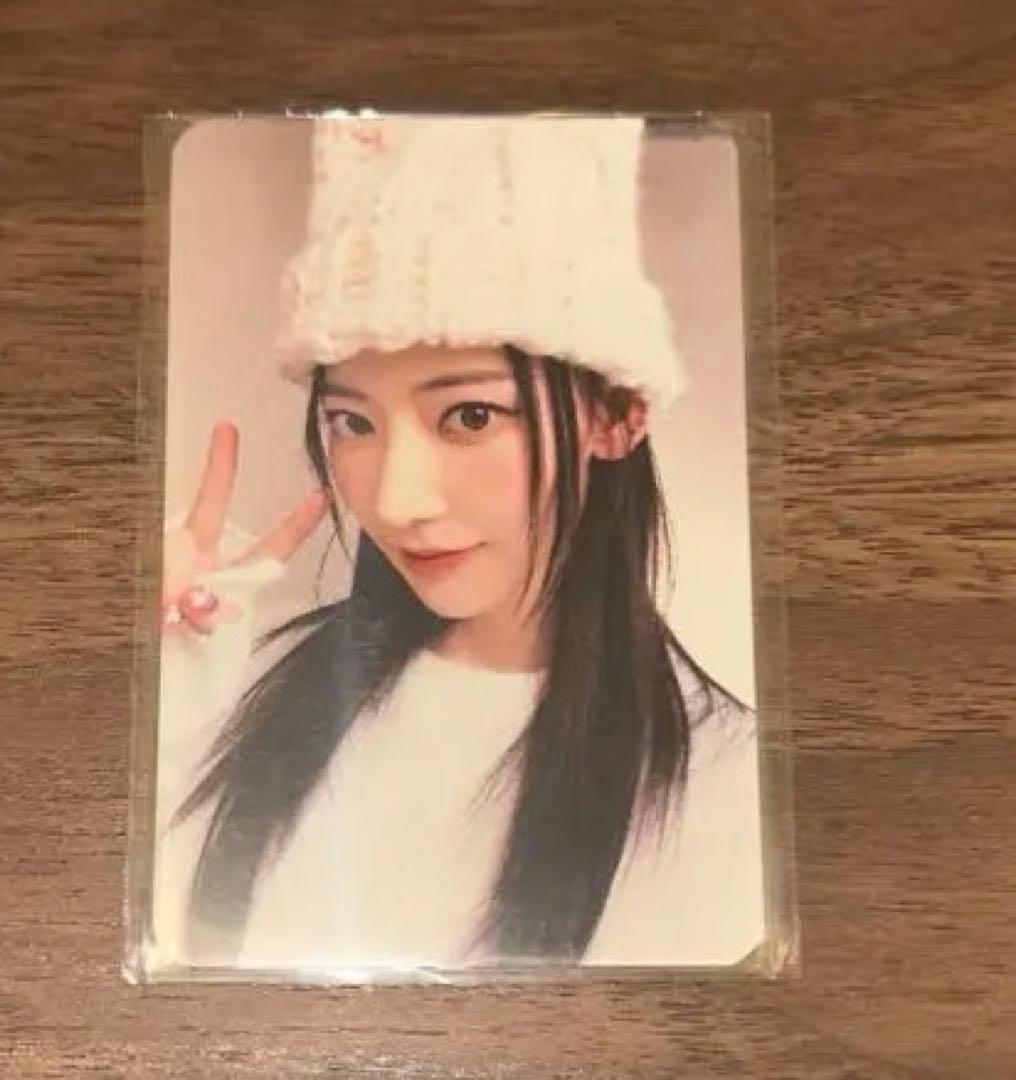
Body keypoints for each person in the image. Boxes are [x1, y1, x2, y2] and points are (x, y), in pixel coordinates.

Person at [147, 113, 764, 975]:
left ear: (616, 415)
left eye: (470, 416)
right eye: (352, 421)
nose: (396, 500)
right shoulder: (251, 678)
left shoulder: (733, 794)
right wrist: (157, 685)